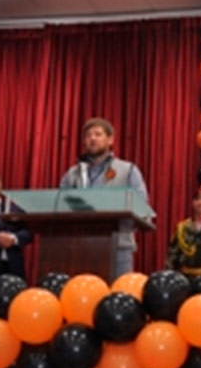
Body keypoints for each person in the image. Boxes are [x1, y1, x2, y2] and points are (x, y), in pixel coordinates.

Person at [60, 117, 150, 276]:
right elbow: (59, 205)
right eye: (88, 135)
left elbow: (142, 205)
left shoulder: (127, 170)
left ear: (110, 140)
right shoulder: (73, 174)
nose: (92, 138)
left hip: (118, 246)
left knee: (118, 290)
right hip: (78, 246)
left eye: (98, 134)